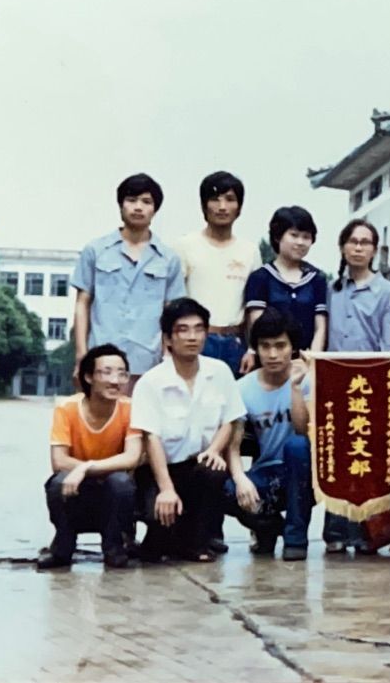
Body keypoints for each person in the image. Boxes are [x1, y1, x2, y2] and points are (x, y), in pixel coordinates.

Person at [131, 298, 246, 562]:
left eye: (199, 329)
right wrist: (166, 489)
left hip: (197, 466)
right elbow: (151, 439)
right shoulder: (151, 382)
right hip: (159, 471)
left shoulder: (220, 372)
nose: (192, 337)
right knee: (158, 532)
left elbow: (230, 419)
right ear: (168, 339)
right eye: (183, 330)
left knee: (213, 471)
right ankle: (163, 536)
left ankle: (197, 542)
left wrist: (215, 450)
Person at [324, 218, 390, 552]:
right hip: (333, 385)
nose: (358, 248)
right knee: (335, 457)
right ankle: (334, 533)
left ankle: (362, 533)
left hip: (369, 386)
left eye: (365, 242)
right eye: (352, 241)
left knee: (363, 460)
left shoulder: (386, 292)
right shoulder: (331, 289)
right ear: (343, 246)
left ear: (374, 250)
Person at [72, 173, 185, 391]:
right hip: (101, 359)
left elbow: (172, 313)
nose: (138, 207)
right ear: (120, 205)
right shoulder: (96, 251)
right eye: (131, 200)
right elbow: (82, 303)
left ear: (155, 209)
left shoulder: (168, 258)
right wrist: (81, 354)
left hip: (149, 361)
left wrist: (169, 356)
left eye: (146, 202)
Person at [38, 344, 142, 570]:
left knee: (122, 482)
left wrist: (85, 467)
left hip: (112, 488)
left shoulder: (130, 409)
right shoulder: (67, 408)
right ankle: (63, 546)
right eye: (106, 372)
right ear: (88, 377)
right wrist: (84, 471)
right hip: (77, 488)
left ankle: (114, 547)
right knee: (58, 483)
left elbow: (131, 458)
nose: (115, 381)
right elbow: (59, 461)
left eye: (122, 374)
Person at [223, 308, 314, 561]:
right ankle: (269, 528)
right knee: (227, 489)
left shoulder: (309, 380)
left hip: (306, 474)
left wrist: (295, 387)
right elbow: (233, 445)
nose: (273, 354)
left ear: (293, 348)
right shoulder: (243, 388)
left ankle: (296, 540)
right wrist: (241, 479)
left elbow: (303, 431)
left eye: (280, 346)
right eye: (265, 346)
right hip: (267, 473)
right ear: (256, 349)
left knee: (297, 445)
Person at [173, 171, 259, 377]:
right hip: (197, 341)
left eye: (230, 199)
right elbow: (173, 303)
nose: (222, 207)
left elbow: (253, 306)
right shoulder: (185, 246)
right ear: (204, 205)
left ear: (239, 207)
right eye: (215, 199)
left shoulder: (250, 251)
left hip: (235, 343)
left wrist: (252, 349)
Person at [243, 206, 327, 371]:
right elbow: (257, 324)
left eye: (306, 237)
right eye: (294, 235)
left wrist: (311, 360)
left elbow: (320, 327)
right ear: (277, 236)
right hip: (270, 361)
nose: (300, 242)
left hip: (305, 364)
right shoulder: (260, 278)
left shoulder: (317, 279)